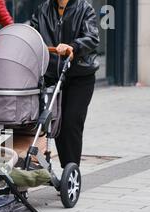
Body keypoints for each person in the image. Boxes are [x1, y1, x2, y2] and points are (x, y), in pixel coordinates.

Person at [31, 0, 99, 168]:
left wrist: (73, 46)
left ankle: (71, 169)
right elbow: (32, 32)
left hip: (80, 76)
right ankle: (66, 168)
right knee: (57, 122)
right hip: (53, 75)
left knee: (72, 121)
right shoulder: (44, 9)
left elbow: (92, 37)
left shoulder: (85, 8)